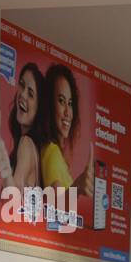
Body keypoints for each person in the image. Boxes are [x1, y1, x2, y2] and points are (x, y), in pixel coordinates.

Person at [39, 63, 94, 220]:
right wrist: (77, 186)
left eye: (70, 104)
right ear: (49, 104)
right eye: (61, 101)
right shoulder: (52, 152)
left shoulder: (55, 153)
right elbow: (56, 206)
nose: (67, 112)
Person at [0, 61, 44, 192]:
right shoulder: (32, 146)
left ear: (38, 108)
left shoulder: (26, 143)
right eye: (22, 85)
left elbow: (14, 197)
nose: (23, 95)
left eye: (30, 94)